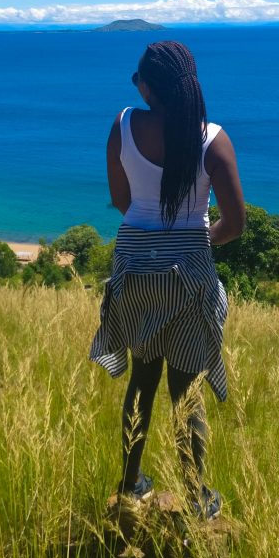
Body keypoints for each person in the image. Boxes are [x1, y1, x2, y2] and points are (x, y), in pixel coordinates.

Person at [89, 40, 245, 520]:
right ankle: (198, 498)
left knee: (141, 379)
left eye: (137, 78)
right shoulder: (212, 138)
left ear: (148, 86)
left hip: (135, 266)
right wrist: (195, 245)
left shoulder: (122, 126)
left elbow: (121, 200)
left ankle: (131, 484)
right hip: (189, 276)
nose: (134, 86)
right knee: (186, 389)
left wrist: (154, 241)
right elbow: (235, 224)